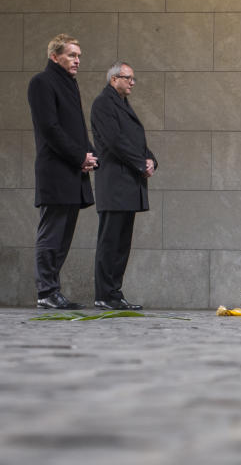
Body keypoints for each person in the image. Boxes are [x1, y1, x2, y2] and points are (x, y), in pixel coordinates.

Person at [27, 34, 97, 309]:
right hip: (56, 171)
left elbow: (76, 129)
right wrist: (80, 157)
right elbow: (50, 129)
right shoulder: (41, 82)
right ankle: (46, 292)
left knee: (63, 237)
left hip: (73, 172)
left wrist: (92, 155)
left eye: (79, 56)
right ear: (54, 56)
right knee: (51, 234)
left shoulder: (69, 84)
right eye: (71, 55)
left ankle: (53, 290)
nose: (77, 60)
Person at [90, 61, 156, 310]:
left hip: (127, 184)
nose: (132, 82)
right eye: (128, 78)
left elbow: (135, 141)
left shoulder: (121, 103)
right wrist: (141, 163)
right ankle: (104, 295)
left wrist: (151, 161)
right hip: (115, 183)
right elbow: (115, 141)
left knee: (121, 244)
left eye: (133, 78)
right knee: (110, 242)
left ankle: (114, 294)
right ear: (113, 79)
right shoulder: (103, 103)